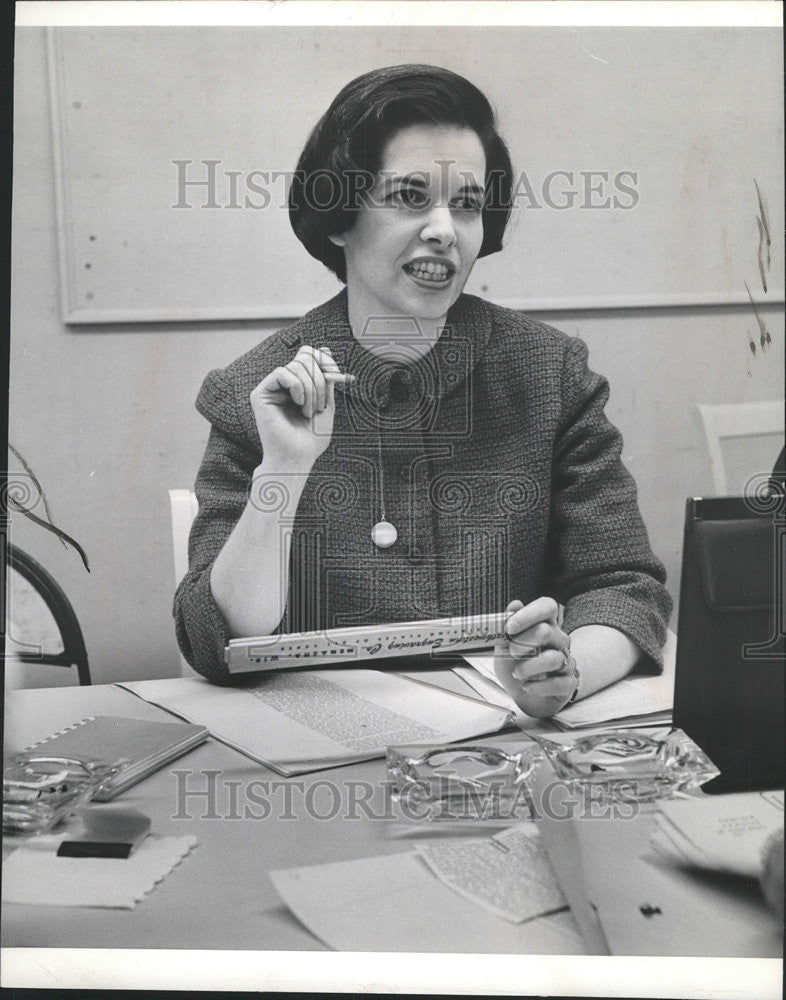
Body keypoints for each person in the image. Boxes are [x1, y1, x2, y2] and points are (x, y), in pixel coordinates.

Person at [174, 64, 672, 717]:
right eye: (410, 197)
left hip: (506, 747)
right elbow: (218, 639)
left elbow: (623, 585)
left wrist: (564, 673)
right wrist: (285, 470)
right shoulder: (255, 390)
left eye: (466, 204)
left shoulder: (548, 374)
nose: (445, 228)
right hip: (324, 747)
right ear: (339, 217)